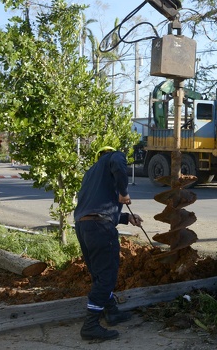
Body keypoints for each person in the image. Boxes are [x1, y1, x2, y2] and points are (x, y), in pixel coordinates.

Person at [74, 146, 144, 341]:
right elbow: (118, 163)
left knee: (99, 274)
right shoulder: (115, 157)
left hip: (84, 227)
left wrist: (125, 218)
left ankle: (111, 312)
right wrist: (123, 192)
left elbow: (96, 207)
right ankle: (90, 326)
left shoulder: (90, 174)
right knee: (106, 277)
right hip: (99, 228)